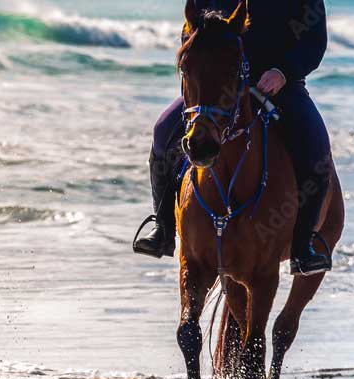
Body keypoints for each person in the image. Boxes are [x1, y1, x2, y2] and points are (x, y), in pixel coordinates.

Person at [133, 0, 333, 276]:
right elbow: (190, 29)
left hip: (279, 86)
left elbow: (314, 41)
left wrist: (283, 72)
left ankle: (302, 247)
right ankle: (163, 230)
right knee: (163, 132)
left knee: (316, 147)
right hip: (216, 90)